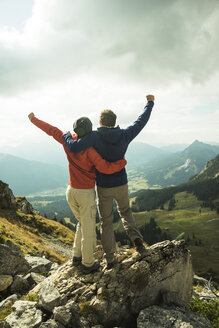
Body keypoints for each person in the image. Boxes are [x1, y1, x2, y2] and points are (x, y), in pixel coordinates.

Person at [62, 95, 155, 268]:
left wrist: (66, 136)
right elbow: (141, 121)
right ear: (114, 122)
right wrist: (149, 103)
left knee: (106, 221)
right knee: (126, 212)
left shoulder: (95, 136)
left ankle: (110, 258)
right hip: (122, 183)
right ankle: (138, 243)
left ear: (100, 121)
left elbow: (74, 147)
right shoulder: (125, 134)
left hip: (104, 186)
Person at [28, 113, 127, 274]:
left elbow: (52, 130)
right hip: (85, 194)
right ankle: (88, 264)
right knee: (88, 231)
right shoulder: (90, 150)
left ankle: (76, 256)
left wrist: (34, 120)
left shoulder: (68, 140)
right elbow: (105, 168)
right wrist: (122, 162)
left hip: (70, 191)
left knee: (81, 223)